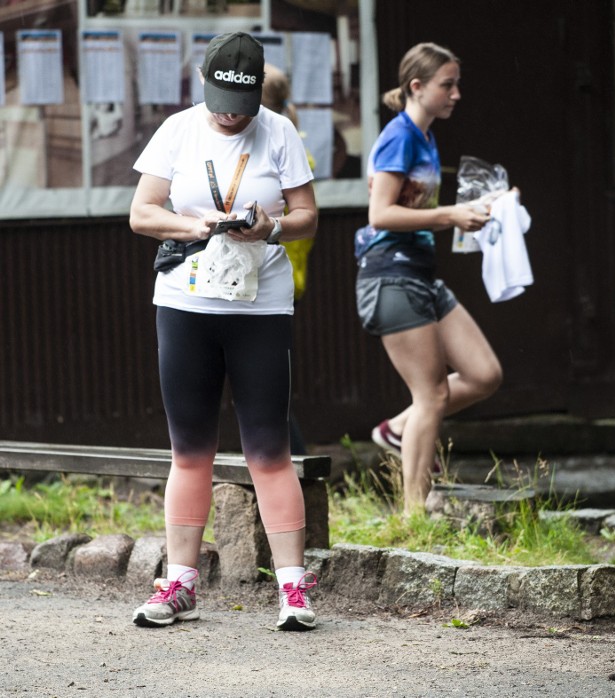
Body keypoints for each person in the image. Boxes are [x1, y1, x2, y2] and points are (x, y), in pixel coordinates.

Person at [128, 32, 319, 630]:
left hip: (259, 306)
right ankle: (179, 585)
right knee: (190, 450)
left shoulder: (280, 131)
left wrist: (269, 228)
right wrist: (197, 224)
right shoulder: (179, 129)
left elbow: (308, 215)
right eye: (219, 101)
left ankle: (292, 590)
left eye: (241, 104)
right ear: (202, 86)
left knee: (269, 449)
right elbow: (141, 213)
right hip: (185, 302)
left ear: (260, 94)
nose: (229, 114)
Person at [355, 42, 503, 514]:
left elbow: (415, 207)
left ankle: (399, 429)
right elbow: (380, 214)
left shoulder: (425, 136)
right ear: (416, 87)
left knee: (484, 374)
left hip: (421, 273)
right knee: (433, 394)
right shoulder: (399, 136)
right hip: (390, 276)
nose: (456, 93)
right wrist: (449, 216)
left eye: (456, 83)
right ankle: (414, 514)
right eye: (448, 84)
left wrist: (484, 208)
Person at [262, 63, 314, 455]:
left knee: (268, 389)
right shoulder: (295, 146)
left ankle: (295, 463)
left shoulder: (282, 151)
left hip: (273, 280)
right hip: (288, 279)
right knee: (271, 387)